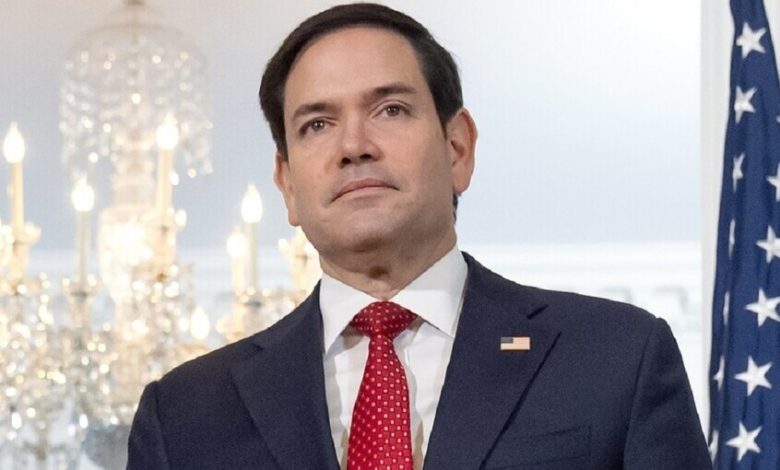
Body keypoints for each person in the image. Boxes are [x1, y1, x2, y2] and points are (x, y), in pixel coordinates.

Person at [127, 3, 712, 469]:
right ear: (287, 185)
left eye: (390, 110)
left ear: (457, 148)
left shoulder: (616, 356)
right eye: (317, 124)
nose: (353, 146)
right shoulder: (185, 413)